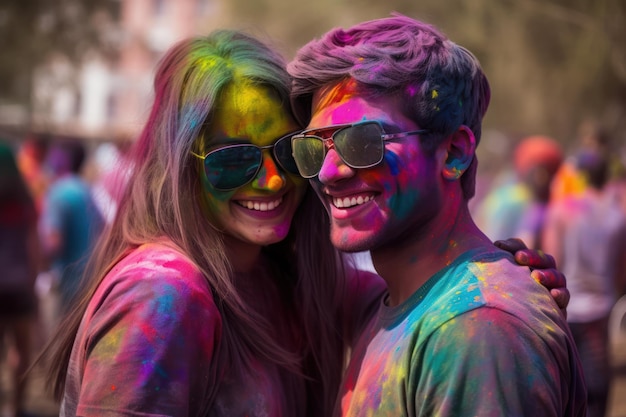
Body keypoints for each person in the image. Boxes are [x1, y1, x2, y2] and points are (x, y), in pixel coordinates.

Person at [38, 29, 569, 417]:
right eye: (232, 160)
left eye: (291, 152)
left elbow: (417, 300)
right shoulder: (164, 295)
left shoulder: (286, 281)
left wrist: (498, 272)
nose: (274, 182)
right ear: (179, 172)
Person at [287, 14, 586, 416]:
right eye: (313, 148)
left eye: (362, 141)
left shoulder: (473, 331)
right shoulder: (402, 300)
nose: (327, 172)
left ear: (455, 153)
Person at [543, 149, 626, 417]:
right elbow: (621, 271)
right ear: (606, 175)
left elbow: (551, 260)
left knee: (564, 392)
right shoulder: (618, 216)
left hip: (566, 308)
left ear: (580, 175)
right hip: (600, 310)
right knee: (596, 393)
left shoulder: (563, 210)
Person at [39, 139, 106, 315]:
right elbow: (104, 228)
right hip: (89, 281)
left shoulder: (57, 192)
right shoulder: (87, 190)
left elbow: (53, 243)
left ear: (62, 159)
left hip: (67, 284)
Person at [0, 142, 40, 417]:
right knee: (22, 349)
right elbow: (34, 246)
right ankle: (16, 406)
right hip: (19, 285)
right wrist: (33, 281)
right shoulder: (26, 203)